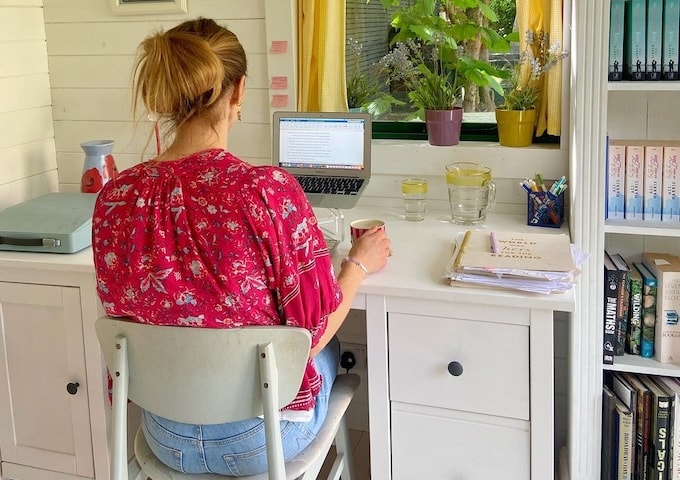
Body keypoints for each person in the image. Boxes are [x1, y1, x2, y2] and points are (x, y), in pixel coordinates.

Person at [91, 17, 391, 476]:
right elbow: (310, 337)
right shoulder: (265, 192)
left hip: (163, 436)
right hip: (261, 439)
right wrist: (358, 264)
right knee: (327, 348)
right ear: (238, 91)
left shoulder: (115, 197)